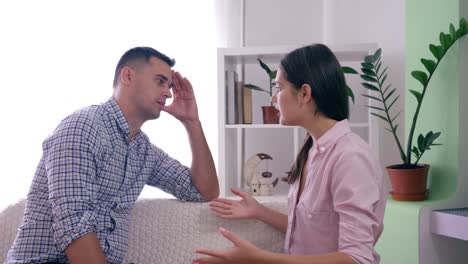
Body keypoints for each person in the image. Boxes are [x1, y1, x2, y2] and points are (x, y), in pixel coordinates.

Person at [6, 47, 219, 264]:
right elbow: (74, 225)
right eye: (160, 81)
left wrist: (191, 122)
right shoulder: (83, 128)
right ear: (128, 76)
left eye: (170, 86)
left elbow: (204, 191)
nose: (168, 93)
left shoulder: (142, 150)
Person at [193, 44, 386, 264]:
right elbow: (312, 230)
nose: (273, 98)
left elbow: (357, 258)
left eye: (278, 87)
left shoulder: (350, 158)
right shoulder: (312, 149)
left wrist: (258, 259)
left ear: (304, 93)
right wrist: (259, 211)